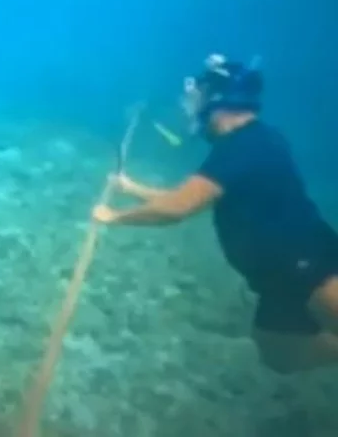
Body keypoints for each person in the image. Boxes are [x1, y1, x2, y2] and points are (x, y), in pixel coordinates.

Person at [92, 53, 338, 374]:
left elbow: (175, 209)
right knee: (279, 353)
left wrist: (114, 218)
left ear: (218, 99)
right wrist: (132, 188)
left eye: (196, 96)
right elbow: (191, 196)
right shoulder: (246, 143)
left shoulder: (246, 145)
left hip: (310, 266)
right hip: (276, 280)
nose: (187, 106)